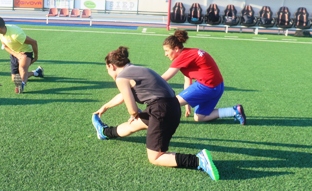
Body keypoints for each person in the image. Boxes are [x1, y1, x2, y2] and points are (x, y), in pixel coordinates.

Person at [92, 46, 219, 181]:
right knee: (134, 125)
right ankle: (105, 132)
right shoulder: (137, 69)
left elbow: (133, 109)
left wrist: (134, 114)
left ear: (111, 66)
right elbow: (124, 95)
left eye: (107, 69)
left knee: (155, 157)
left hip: (161, 111)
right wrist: (106, 106)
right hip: (171, 106)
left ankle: (198, 160)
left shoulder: (121, 78)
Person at [160, 30, 246, 125]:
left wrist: (144, 83)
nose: (165, 54)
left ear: (176, 49)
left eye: (167, 51)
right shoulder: (188, 53)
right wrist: (186, 104)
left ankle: (154, 120)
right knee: (199, 117)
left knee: (172, 103)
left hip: (207, 87)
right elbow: (187, 80)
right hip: (217, 87)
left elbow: (164, 78)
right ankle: (234, 111)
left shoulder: (182, 57)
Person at [0, 16, 43, 93]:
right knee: (14, 78)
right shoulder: (0, 33)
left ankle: (21, 85)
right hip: (14, 53)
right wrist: (16, 54)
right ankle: (36, 72)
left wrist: (36, 56)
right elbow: (5, 46)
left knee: (22, 69)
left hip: (25, 52)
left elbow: (34, 42)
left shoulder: (16, 35)